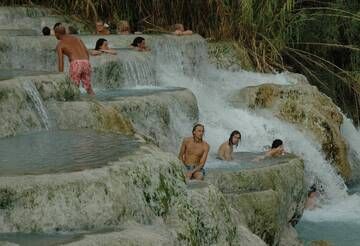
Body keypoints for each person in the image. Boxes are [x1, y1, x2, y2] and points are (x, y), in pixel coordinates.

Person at [54, 23, 95, 95]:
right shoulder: (78, 39)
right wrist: (86, 64)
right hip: (86, 62)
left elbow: (61, 62)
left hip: (76, 64)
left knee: (74, 87)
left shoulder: (60, 45)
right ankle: (95, 102)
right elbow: (86, 52)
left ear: (57, 33)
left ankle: (76, 104)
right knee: (88, 88)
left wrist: (60, 75)